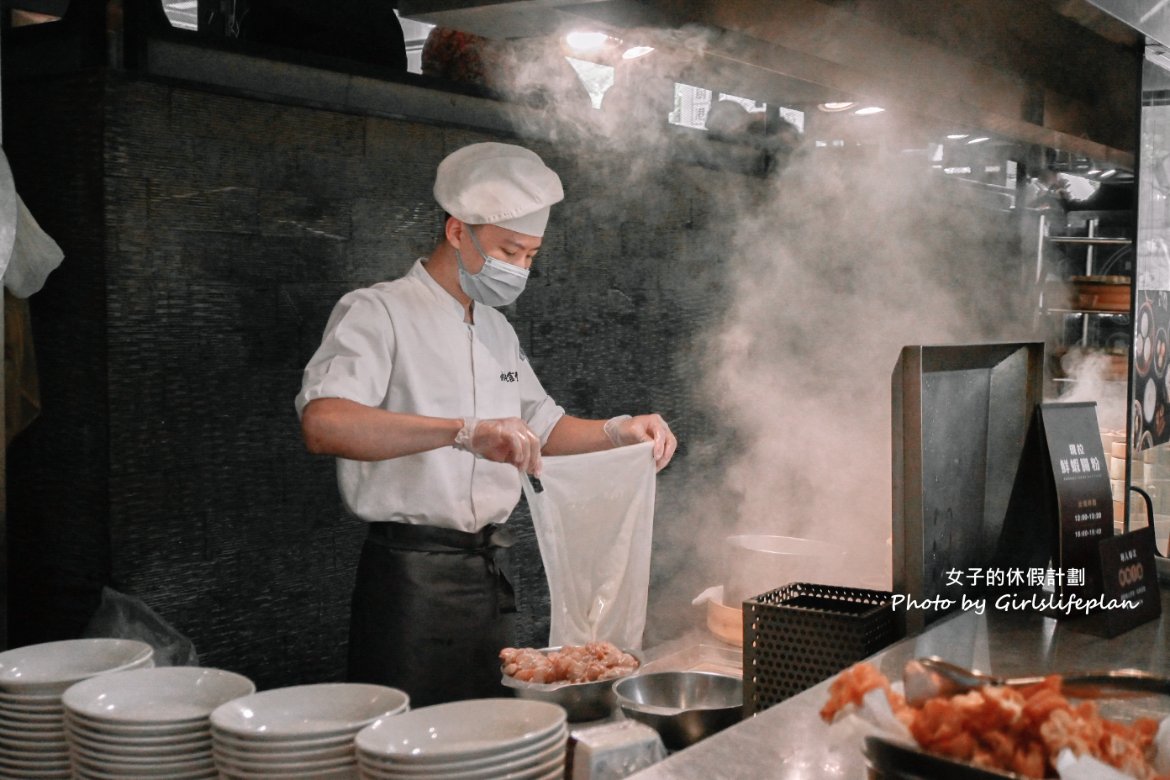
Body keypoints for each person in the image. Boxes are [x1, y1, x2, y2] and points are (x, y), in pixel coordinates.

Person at [295, 142, 677, 707]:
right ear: (457, 232)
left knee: (488, 729)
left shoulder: (496, 329)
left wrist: (619, 431)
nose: (520, 268)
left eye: (531, 255)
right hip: (410, 576)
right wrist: (460, 431)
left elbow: (541, 427)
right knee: (412, 738)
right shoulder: (378, 311)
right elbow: (325, 423)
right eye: (509, 250)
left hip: (489, 573)